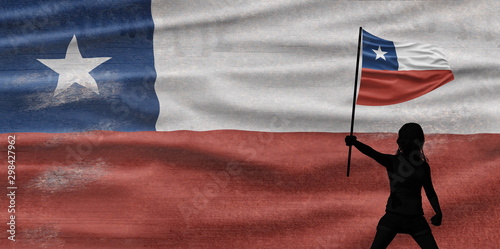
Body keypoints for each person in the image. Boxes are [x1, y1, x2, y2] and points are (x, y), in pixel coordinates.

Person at [345, 123, 442, 249]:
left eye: (404, 137)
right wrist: (356, 143)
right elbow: (372, 153)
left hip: (409, 218)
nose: (398, 141)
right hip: (398, 217)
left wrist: (439, 212)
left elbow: (430, 191)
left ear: (414, 140)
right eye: (400, 137)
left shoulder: (414, 165)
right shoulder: (406, 164)